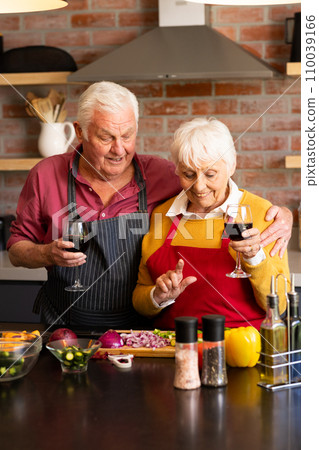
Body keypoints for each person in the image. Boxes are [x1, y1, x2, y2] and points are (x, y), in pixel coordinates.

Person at [7, 82, 292, 329]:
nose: (119, 149)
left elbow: (216, 187)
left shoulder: (163, 175)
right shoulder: (45, 176)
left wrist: (284, 216)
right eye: (106, 137)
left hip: (138, 334)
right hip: (63, 327)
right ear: (80, 132)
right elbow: (17, 249)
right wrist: (47, 253)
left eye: (128, 135)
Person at [132, 117, 291, 330]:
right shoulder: (163, 214)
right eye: (189, 174)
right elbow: (139, 300)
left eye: (210, 174)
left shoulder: (262, 213)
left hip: (241, 350)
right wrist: (157, 296)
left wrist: (255, 258)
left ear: (231, 165)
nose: (199, 186)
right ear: (177, 170)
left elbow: (279, 305)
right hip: (172, 349)